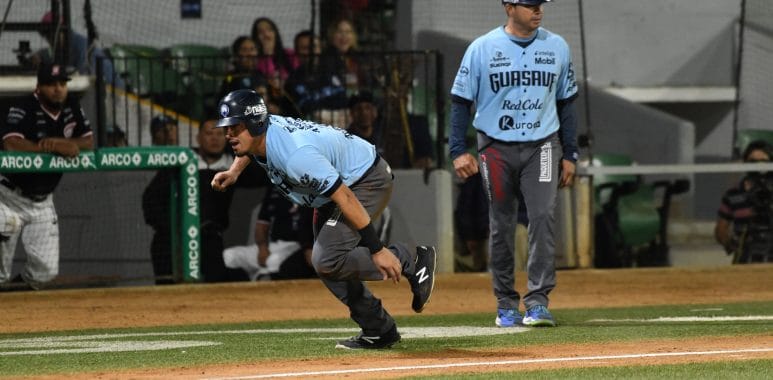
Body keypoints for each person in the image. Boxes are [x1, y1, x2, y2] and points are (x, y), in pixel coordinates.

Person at [210, 89, 437, 349]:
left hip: (364, 180)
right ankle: (378, 329)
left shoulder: (296, 156)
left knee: (326, 259)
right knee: (328, 264)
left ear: (254, 123)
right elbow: (250, 148)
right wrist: (234, 171)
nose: (228, 134)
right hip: (335, 188)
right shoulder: (262, 131)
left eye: (235, 127)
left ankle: (411, 259)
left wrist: (378, 250)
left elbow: (346, 198)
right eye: (227, 127)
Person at [449, 0, 578, 328]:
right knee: (501, 223)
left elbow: (567, 104)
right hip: (495, 147)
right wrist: (457, 150)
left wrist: (571, 154)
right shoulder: (482, 48)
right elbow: (460, 102)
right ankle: (506, 302)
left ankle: (537, 301)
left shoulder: (557, 47)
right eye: (530, 5)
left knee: (543, 216)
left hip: (543, 145)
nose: (538, 11)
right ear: (509, 7)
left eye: (540, 5)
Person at [0, 63, 94, 290]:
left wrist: (65, 144)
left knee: (45, 273)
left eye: (62, 83)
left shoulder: (71, 106)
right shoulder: (23, 105)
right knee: (7, 229)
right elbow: (11, 144)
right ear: (39, 87)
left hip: (43, 201)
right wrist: (51, 148)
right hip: (9, 195)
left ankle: (15, 298)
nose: (58, 89)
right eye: (51, 84)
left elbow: (88, 142)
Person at [196, 119, 252, 282]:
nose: (215, 138)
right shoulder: (183, 161)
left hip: (214, 236)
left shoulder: (237, 167)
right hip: (180, 236)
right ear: (198, 137)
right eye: (209, 133)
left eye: (219, 134)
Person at [222, 185, 316, 281]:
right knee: (229, 256)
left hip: (297, 246)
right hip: (274, 244)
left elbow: (307, 229)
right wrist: (262, 248)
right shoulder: (275, 188)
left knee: (273, 260)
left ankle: (270, 290)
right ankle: (241, 292)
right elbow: (262, 223)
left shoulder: (310, 188)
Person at [715, 140, 773, 264]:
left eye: (764, 162)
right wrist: (730, 243)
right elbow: (721, 229)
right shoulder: (733, 194)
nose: (758, 166)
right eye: (753, 162)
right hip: (745, 258)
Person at [141, 114, 179, 284]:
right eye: (162, 130)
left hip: (192, 237)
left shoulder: (188, 157)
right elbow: (149, 204)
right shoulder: (147, 159)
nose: (168, 133)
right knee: (166, 284)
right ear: (154, 136)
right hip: (165, 238)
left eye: (171, 128)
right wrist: (171, 226)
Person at [251, 17, 298, 83]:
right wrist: (268, 53)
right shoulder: (255, 60)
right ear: (256, 37)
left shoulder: (289, 53)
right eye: (260, 32)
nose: (266, 34)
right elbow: (270, 78)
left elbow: (298, 75)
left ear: (275, 33)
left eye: (270, 29)